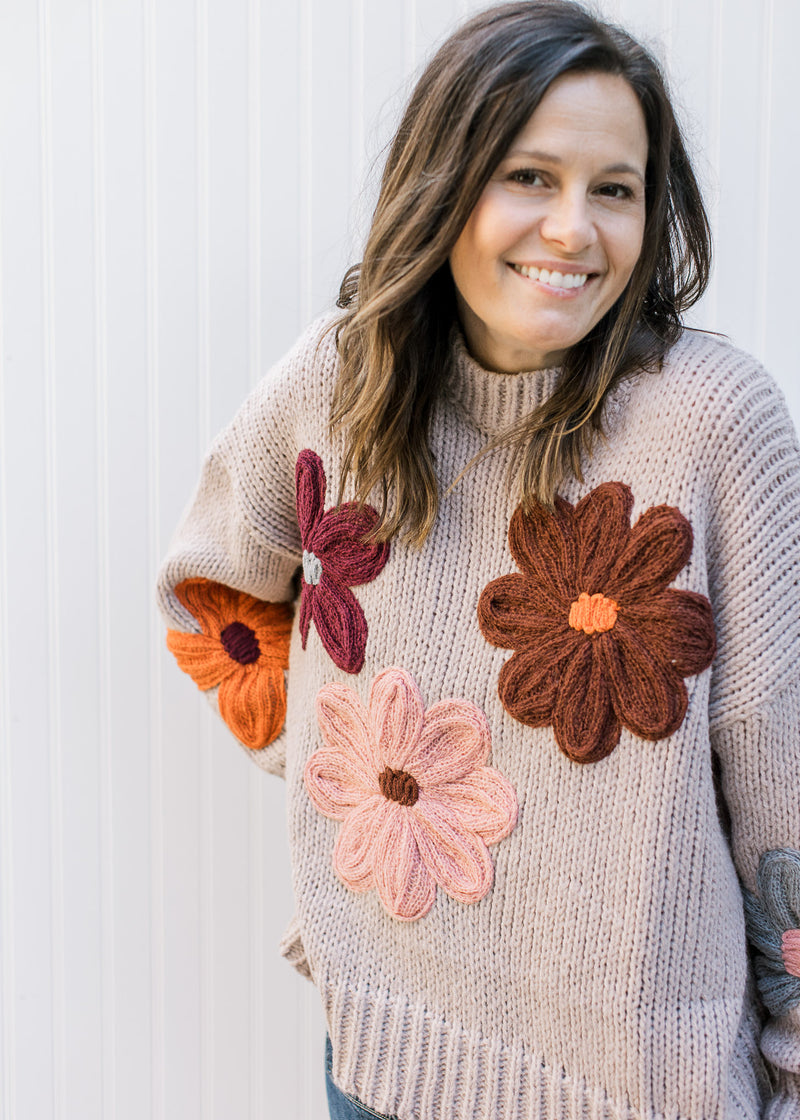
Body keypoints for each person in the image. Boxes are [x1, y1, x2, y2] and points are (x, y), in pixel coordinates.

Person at [157, 2, 800, 1117]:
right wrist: (342, 783)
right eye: (528, 176)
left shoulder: (709, 418)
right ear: (444, 181)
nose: (571, 229)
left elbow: (778, 776)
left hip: (646, 1089)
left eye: (613, 188)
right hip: (383, 1053)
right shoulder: (335, 383)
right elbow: (212, 600)